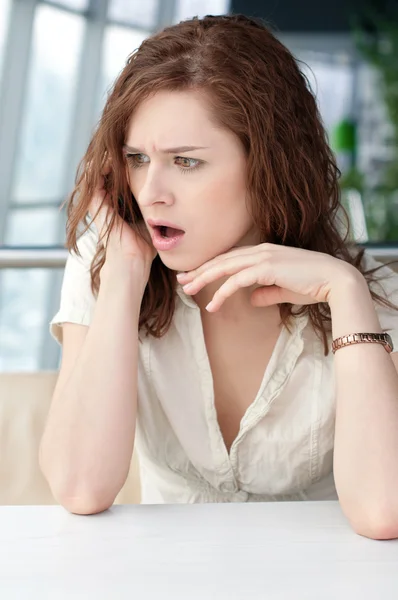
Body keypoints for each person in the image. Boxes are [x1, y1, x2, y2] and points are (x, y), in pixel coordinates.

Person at [39, 14, 398, 539]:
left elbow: (384, 512)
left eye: (186, 162)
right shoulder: (111, 262)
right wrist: (123, 280)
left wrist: (346, 294)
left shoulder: (371, 292)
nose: (151, 191)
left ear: (269, 165)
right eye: (138, 159)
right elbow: (80, 486)